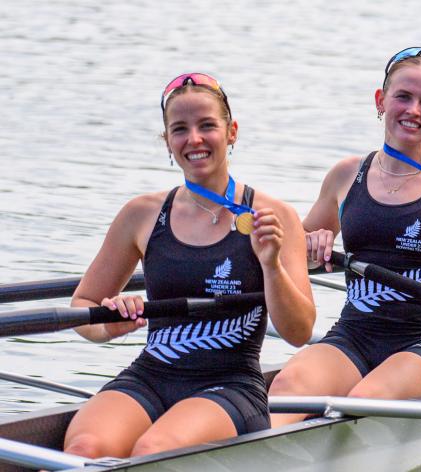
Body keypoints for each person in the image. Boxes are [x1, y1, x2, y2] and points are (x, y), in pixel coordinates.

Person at [63, 73, 316, 458]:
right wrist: (107, 324)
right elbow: (82, 306)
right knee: (84, 448)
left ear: (232, 132)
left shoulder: (274, 216)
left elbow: (299, 332)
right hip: (151, 375)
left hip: (229, 386)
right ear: (168, 142)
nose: (194, 139)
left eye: (207, 126)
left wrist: (271, 266)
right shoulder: (141, 215)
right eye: (179, 129)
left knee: (153, 449)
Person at [268, 47, 421, 426]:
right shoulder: (345, 176)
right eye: (403, 97)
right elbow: (294, 261)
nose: (413, 110)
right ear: (380, 100)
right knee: (285, 390)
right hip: (354, 334)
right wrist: (310, 243)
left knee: (362, 403)